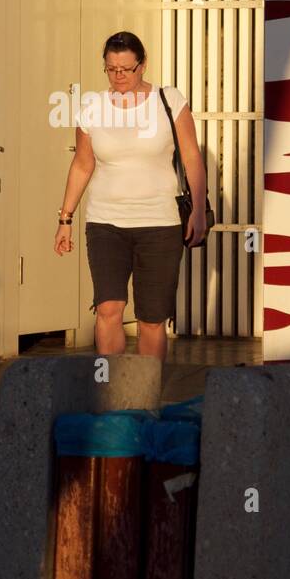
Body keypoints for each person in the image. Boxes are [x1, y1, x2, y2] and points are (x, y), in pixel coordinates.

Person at [53, 32, 208, 361]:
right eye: (111, 69)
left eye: (126, 69)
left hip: (160, 224)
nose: (119, 76)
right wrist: (65, 218)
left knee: (151, 319)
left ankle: (145, 400)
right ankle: (113, 396)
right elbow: (82, 164)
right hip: (105, 223)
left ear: (143, 65)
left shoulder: (169, 100)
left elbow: (193, 157)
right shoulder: (92, 107)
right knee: (108, 308)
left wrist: (198, 211)